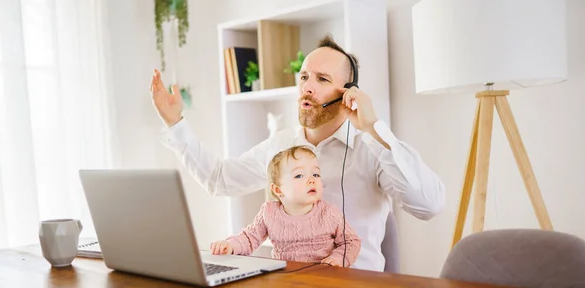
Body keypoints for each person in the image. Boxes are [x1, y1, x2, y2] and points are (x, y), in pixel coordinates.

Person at [149, 34, 445, 272]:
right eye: (304, 77)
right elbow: (219, 179)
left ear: (348, 93)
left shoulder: (371, 146)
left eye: (322, 80)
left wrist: (373, 127)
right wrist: (175, 123)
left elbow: (429, 205)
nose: (307, 88)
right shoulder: (281, 144)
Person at [210, 145, 361, 267]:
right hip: (286, 280)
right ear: (278, 190)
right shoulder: (269, 212)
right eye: (299, 175)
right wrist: (230, 245)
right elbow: (250, 238)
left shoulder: (328, 213)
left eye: (316, 174)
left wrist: (337, 259)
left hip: (323, 278)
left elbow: (352, 242)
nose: (311, 180)